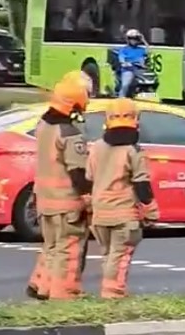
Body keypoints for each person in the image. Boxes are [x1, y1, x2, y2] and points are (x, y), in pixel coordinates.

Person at [27, 73, 92, 300]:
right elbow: (77, 172)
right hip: (66, 202)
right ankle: (64, 293)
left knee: (52, 246)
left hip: (44, 199)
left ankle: (41, 286)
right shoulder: (69, 133)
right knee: (69, 250)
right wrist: (88, 198)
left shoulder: (43, 125)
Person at [87, 98, 158, 298]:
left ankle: (110, 291)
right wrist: (151, 211)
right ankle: (113, 294)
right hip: (123, 214)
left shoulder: (96, 147)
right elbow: (142, 185)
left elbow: (89, 178)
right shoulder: (133, 151)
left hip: (100, 213)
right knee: (121, 255)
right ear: (135, 120)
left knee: (108, 255)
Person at [114, 29, 149, 97]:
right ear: (128, 40)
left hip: (139, 69)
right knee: (125, 85)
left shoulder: (141, 49)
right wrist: (124, 63)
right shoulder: (124, 49)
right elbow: (121, 58)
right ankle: (121, 99)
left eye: (135, 39)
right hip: (128, 69)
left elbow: (149, 51)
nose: (133, 40)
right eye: (131, 39)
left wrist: (144, 40)